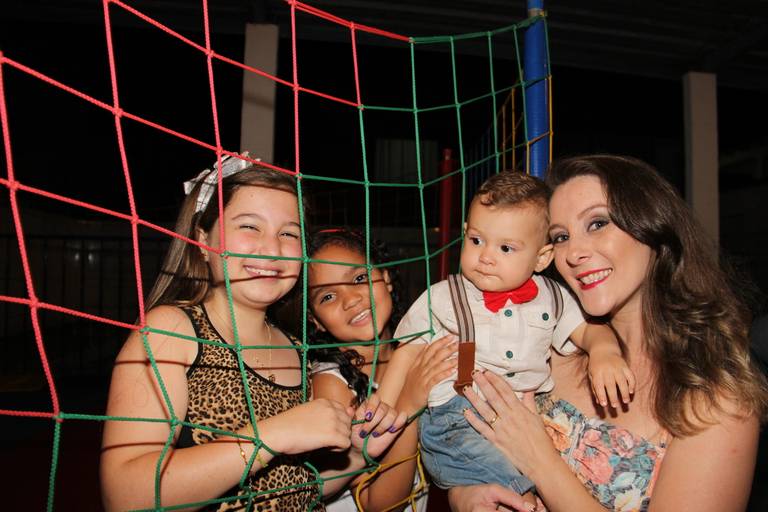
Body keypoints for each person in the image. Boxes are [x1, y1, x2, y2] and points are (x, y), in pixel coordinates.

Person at [453, 154, 768, 512]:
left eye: (598, 223)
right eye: (561, 237)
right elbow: (462, 437)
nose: (574, 253)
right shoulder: (543, 345)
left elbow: (528, 452)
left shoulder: (715, 397)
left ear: (653, 225)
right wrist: (465, 494)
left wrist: (540, 461)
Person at [100, 154, 398, 511]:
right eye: (249, 226)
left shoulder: (301, 350)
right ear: (202, 239)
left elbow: (296, 489)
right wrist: (272, 435)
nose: (271, 248)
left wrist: (359, 454)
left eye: (288, 233)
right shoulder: (171, 332)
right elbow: (127, 497)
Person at [379, 171, 632, 508]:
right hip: (457, 418)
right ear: (465, 233)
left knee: (543, 473)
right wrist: (384, 404)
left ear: (541, 258)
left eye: (506, 248)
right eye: (476, 240)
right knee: (520, 489)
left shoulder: (553, 297)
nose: (486, 256)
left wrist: (605, 351)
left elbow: (588, 330)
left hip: (519, 418)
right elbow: (407, 350)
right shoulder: (445, 296)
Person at [306, 228, 456, 511]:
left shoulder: (414, 348)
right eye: (328, 296)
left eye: (359, 279)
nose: (351, 300)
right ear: (315, 321)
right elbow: (378, 505)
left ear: (385, 277)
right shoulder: (331, 384)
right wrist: (409, 404)